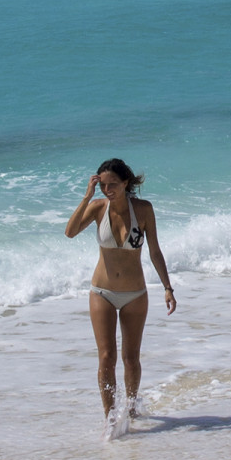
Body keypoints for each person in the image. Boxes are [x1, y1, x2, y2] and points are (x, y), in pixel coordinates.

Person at [65, 158, 177, 436]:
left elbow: (154, 251)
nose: (107, 190)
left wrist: (167, 287)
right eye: (102, 185)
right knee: (106, 357)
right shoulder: (97, 207)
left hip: (135, 294)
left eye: (112, 184)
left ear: (126, 182)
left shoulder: (143, 209)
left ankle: (130, 408)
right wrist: (86, 197)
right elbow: (69, 232)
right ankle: (110, 418)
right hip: (101, 292)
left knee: (130, 358)